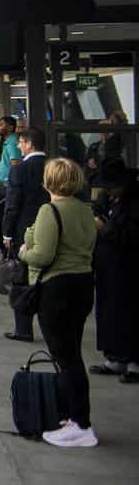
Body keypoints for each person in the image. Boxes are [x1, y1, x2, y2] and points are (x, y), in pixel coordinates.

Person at [19, 158, 99, 447]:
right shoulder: (84, 210)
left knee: (66, 358)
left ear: (48, 182)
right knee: (72, 352)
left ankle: (80, 424)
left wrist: (23, 251)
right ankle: (73, 417)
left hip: (57, 288)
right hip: (83, 283)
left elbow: (42, 255)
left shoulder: (49, 210)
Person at [89, 159, 139, 382]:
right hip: (106, 264)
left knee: (128, 313)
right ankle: (113, 356)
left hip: (128, 266)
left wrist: (106, 228)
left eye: (111, 187)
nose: (107, 191)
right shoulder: (107, 199)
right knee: (107, 311)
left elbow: (132, 235)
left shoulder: (134, 203)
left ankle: (133, 360)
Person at [1, 127, 49, 342]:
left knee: (22, 278)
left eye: (21, 142)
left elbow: (12, 205)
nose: (19, 146)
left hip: (25, 230)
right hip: (53, 228)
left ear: (29, 144)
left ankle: (23, 328)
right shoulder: (54, 166)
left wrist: (7, 233)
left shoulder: (19, 170)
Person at [0, 116, 22, 269]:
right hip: (4, 185)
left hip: (8, 187)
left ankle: (8, 255)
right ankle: (6, 254)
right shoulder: (7, 142)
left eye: (2, 125)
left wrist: (12, 184)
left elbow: (15, 163)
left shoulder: (13, 142)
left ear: (11, 127)